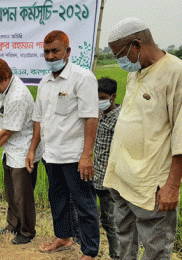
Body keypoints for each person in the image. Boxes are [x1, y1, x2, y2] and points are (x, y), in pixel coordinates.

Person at [103, 17, 182, 259]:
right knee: (124, 238)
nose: (119, 61)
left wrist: (172, 186)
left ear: (137, 44)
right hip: (123, 179)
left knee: (155, 248)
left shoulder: (175, 72)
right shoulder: (135, 73)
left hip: (151, 184)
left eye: (120, 54)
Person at [26, 30, 100, 260]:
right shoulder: (45, 81)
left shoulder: (82, 78)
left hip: (74, 156)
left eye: (55, 51)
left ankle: (89, 251)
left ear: (68, 52)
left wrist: (87, 156)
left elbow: (91, 117)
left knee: (84, 203)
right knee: (57, 199)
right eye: (46, 51)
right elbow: (39, 119)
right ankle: (63, 237)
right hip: (51, 154)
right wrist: (32, 149)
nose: (49, 56)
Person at [0, 57, 42, 244]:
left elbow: (7, 133)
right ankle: (12, 226)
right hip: (11, 150)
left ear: (5, 76)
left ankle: (27, 232)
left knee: (23, 195)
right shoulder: (5, 88)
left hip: (23, 151)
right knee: (11, 192)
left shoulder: (18, 96)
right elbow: (3, 110)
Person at [93, 77, 121, 259]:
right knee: (95, 217)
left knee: (111, 222)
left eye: (103, 97)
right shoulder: (99, 115)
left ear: (113, 97)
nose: (99, 101)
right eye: (97, 97)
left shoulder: (120, 119)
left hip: (110, 181)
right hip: (95, 176)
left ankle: (116, 256)